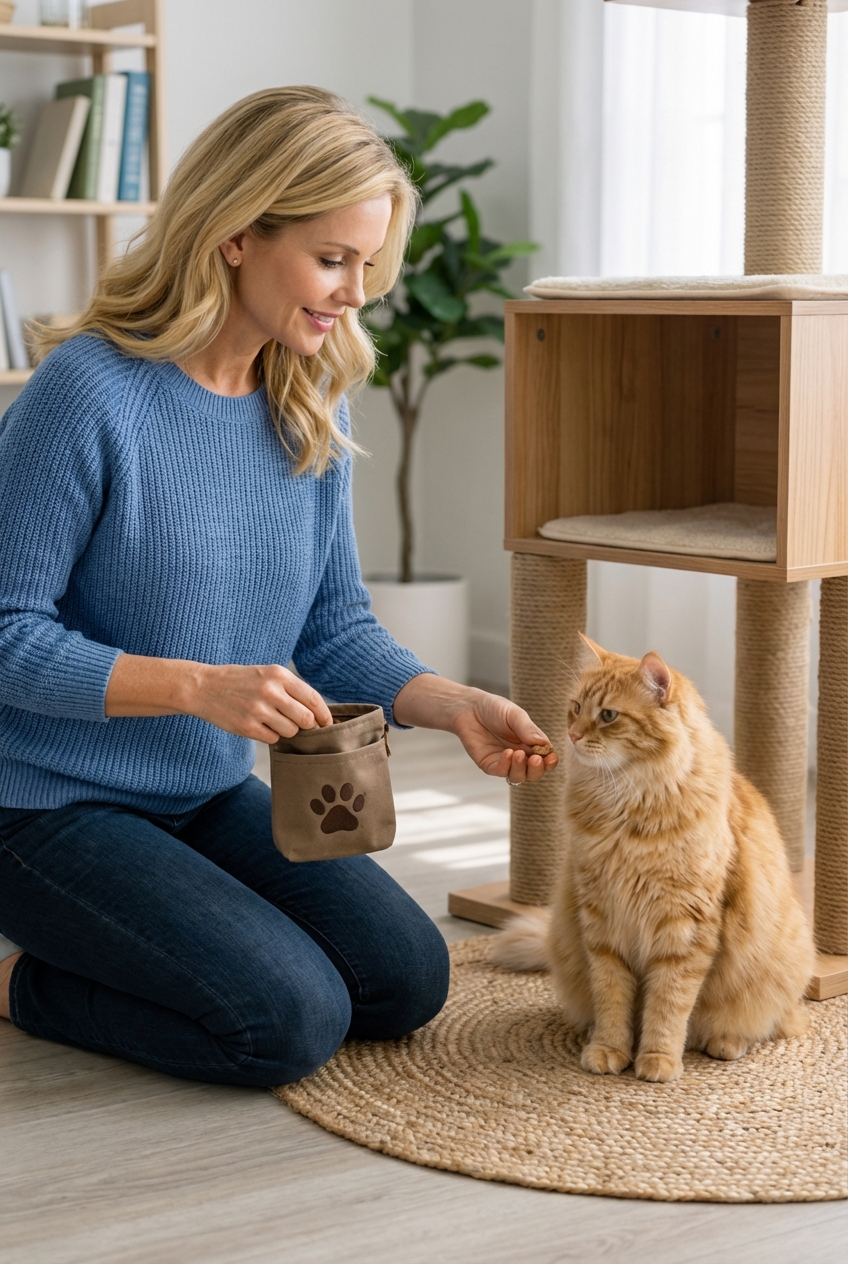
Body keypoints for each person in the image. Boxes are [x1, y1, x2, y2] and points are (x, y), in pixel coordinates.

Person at [0, 87, 557, 1087]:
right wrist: (194, 686)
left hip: (201, 789)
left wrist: (452, 702)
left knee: (403, 980)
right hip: (42, 806)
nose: (355, 293)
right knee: (283, 1021)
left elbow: (331, 625)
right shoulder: (87, 392)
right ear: (235, 235)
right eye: (332, 259)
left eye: (367, 265)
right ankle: (17, 983)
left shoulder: (304, 401)